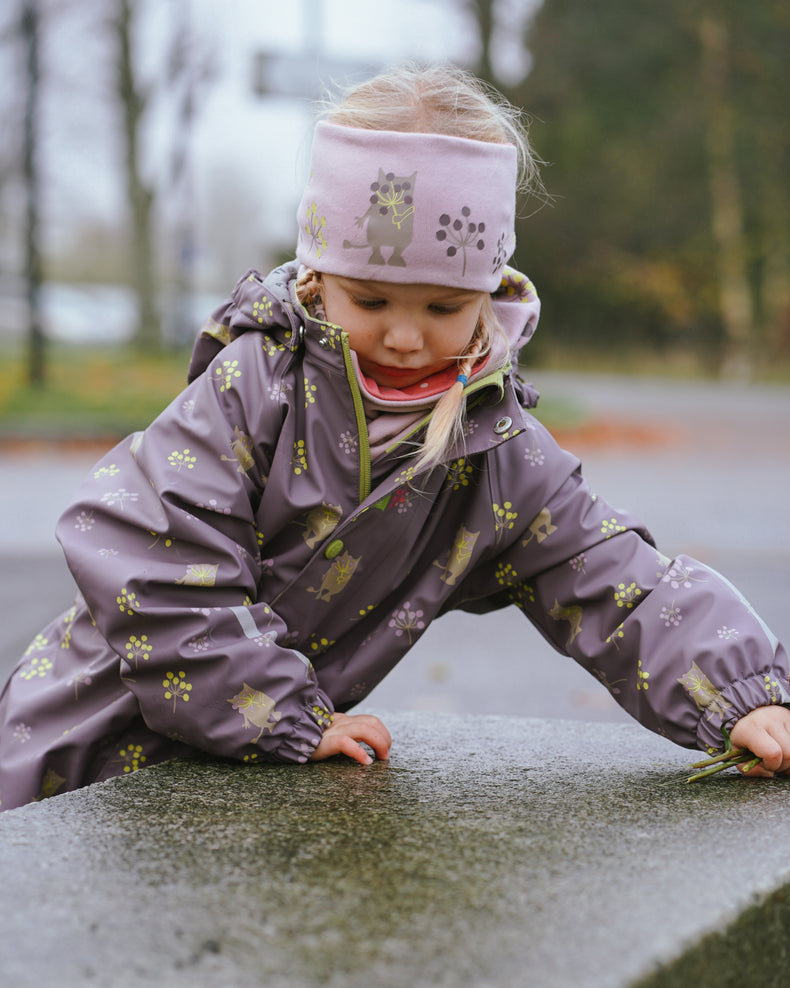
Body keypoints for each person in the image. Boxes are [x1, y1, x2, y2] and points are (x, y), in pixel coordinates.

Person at [1, 65, 788, 812]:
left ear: (487, 295)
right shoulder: (259, 387)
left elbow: (611, 578)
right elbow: (152, 546)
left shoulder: (494, 449)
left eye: (443, 308)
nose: (406, 336)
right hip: (79, 730)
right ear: (316, 278)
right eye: (372, 300)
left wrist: (739, 694)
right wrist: (274, 705)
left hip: (246, 757)